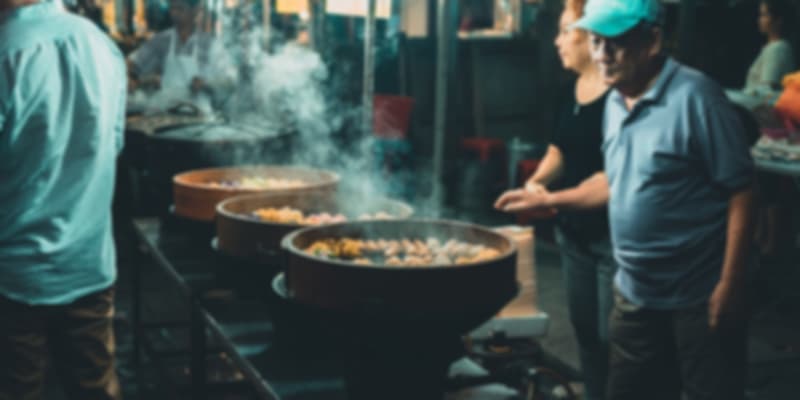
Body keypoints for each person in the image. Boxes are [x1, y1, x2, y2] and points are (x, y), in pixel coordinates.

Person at [495, 0, 755, 399]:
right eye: (596, 42)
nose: (601, 55)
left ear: (652, 41)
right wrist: (550, 201)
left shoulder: (698, 98)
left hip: (696, 293)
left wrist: (731, 284)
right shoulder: (616, 101)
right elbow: (617, 182)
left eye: (615, 43)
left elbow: (741, 190)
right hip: (634, 291)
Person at [0, 0, 126, 399]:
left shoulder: (5, 51)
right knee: (94, 388)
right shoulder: (101, 45)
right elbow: (113, 145)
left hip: (13, 275)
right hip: (89, 263)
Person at [495, 0, 614, 398]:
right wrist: (536, 183)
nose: (557, 41)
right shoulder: (571, 91)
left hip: (611, 237)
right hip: (573, 232)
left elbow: (609, 178)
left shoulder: (619, 95)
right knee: (586, 337)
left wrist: (550, 200)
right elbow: (558, 151)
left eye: (566, 31)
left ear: (590, 38)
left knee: (612, 338)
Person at [127, 0, 235, 112]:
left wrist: (206, 83)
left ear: (195, 10)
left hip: (198, 114)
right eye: (172, 8)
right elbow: (132, 62)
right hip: (165, 110)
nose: (175, 14)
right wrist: (131, 78)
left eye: (180, 9)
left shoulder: (210, 45)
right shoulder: (162, 41)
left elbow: (230, 81)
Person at [727, 0, 795, 111]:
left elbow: (766, 91)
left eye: (764, 15)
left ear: (778, 20)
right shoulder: (772, 48)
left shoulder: (778, 49)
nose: (760, 20)